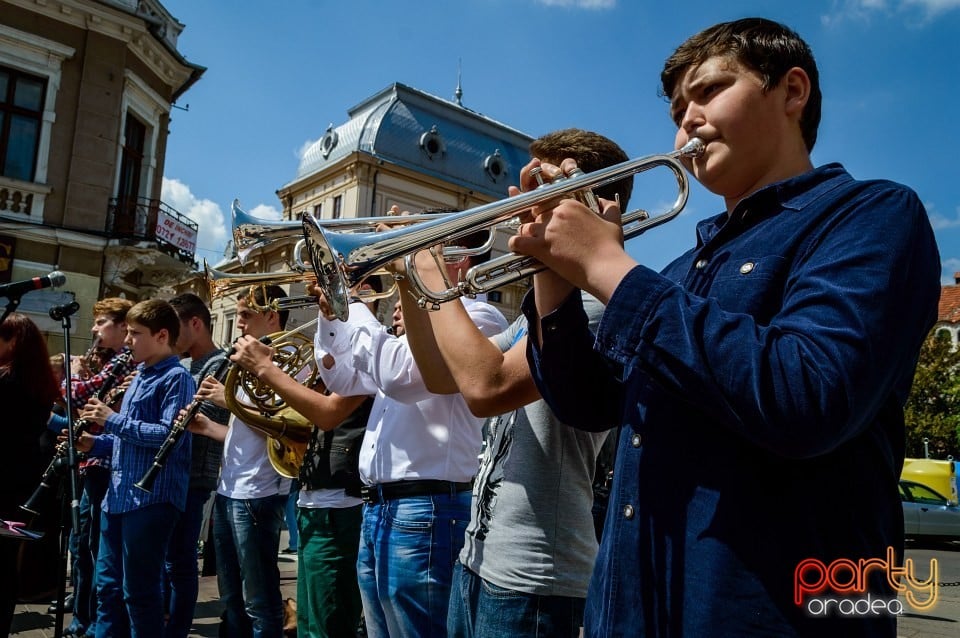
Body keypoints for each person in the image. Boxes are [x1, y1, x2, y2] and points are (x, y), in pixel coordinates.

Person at [508, 18, 941, 637]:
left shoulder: (872, 214)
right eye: (678, 108)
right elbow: (591, 402)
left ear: (793, 92)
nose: (686, 119)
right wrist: (553, 277)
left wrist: (607, 265)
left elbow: (808, 397)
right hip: (635, 609)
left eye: (709, 91)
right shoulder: (683, 268)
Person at [395, 129, 630, 638]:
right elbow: (442, 377)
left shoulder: (592, 307)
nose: (518, 203)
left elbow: (487, 387)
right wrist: (406, 278)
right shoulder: (533, 316)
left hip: (536, 579)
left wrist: (430, 268)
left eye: (540, 187)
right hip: (480, 560)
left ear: (588, 199)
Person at [314, 240, 508, 637]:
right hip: (381, 508)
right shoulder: (411, 331)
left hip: (427, 509)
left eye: (421, 249)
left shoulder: (479, 317)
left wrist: (357, 310)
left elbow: (398, 377)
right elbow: (343, 378)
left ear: (458, 260)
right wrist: (334, 317)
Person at [227, 327, 372, 638]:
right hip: (314, 499)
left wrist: (266, 369)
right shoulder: (331, 359)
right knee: (309, 625)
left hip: (339, 505)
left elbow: (328, 413)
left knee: (326, 626)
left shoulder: (365, 351)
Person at [76, 298, 196, 638]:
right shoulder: (139, 375)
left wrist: (111, 420)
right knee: (108, 588)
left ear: (161, 336)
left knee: (139, 593)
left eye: (135, 333)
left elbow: (167, 436)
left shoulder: (176, 378)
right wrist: (94, 444)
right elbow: (127, 444)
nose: (128, 341)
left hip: (151, 500)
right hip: (117, 496)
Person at [188, 285, 292, 638]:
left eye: (246, 315)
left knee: (258, 597)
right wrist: (204, 426)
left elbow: (283, 428)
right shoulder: (241, 364)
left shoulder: (288, 361)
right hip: (229, 487)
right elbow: (244, 434)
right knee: (231, 593)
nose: (239, 324)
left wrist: (227, 400)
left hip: (258, 494)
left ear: (272, 316)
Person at [49, 297, 136, 638]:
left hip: (105, 460)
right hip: (91, 457)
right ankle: (85, 614)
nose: (94, 330)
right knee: (82, 543)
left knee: (98, 547)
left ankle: (96, 621)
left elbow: (81, 395)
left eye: (101, 323)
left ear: (122, 325)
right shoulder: (114, 359)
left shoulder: (128, 360)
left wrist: (71, 376)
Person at [164, 292, 230, 638]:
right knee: (162, 559)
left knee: (180, 559)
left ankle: (175, 629)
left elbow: (220, 415)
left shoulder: (224, 363)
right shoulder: (182, 365)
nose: (169, 337)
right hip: (168, 475)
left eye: (174, 328)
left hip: (196, 475)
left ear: (196, 323)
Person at [0, 313, 60, 637]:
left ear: (13, 342)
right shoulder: (38, 384)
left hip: (4, 483)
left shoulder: (7, 383)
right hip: (22, 486)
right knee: (6, 562)